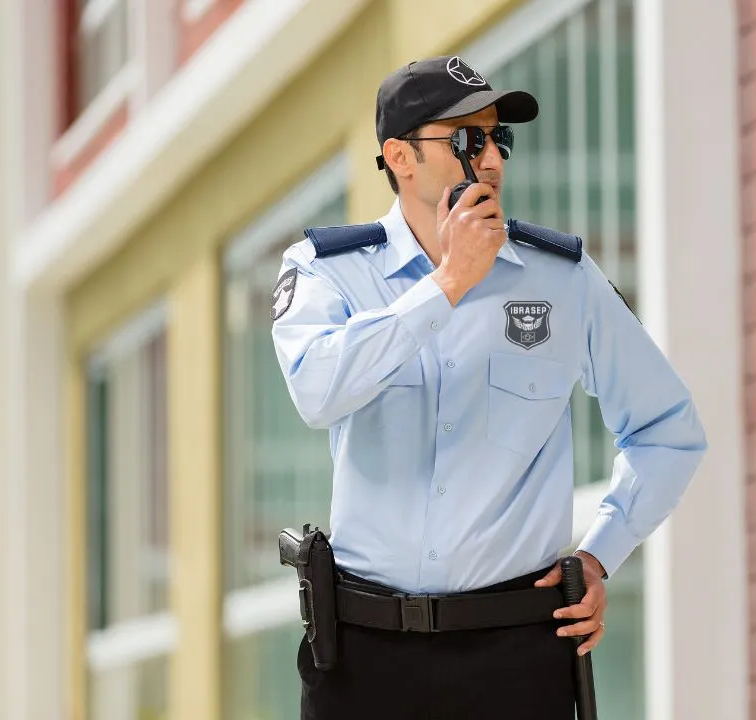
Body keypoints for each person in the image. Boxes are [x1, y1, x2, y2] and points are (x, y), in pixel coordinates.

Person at [270, 54, 707, 719]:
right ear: (401, 156)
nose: (493, 160)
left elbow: (668, 430)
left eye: (497, 138)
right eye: (467, 141)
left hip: (514, 655)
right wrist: (447, 287)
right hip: (362, 658)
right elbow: (317, 392)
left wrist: (600, 554)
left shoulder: (561, 279)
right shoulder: (328, 272)